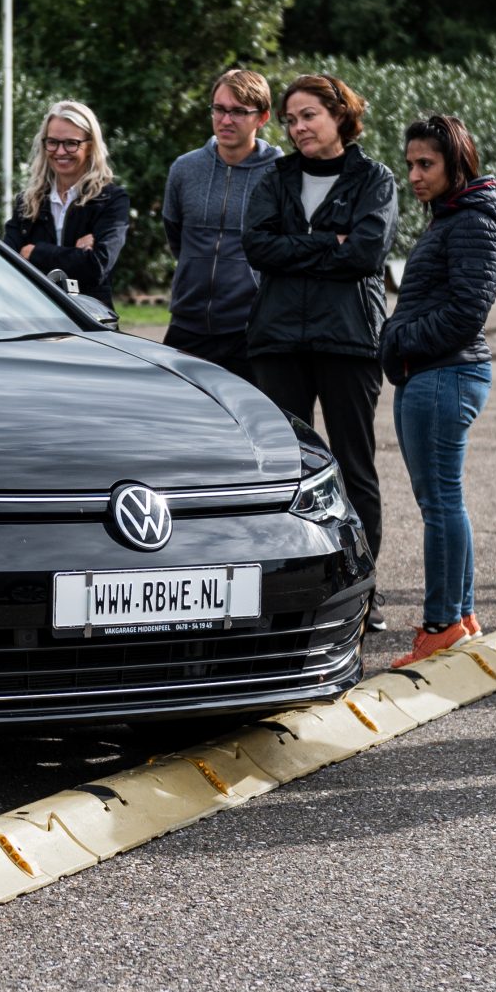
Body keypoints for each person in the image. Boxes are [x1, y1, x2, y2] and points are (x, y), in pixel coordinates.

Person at [243, 74, 400, 633]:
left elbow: (364, 254)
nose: (298, 127)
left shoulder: (373, 179)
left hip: (348, 340)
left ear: (339, 115)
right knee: (281, 470)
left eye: (309, 115)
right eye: (291, 118)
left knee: (354, 467)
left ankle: (363, 590)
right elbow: (256, 245)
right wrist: (324, 244)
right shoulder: (275, 177)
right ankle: (286, 589)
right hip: (278, 340)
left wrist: (301, 250)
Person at [381, 115, 496, 669]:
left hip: (443, 373)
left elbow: (466, 313)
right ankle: (459, 615)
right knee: (442, 501)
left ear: (456, 164)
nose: (414, 174)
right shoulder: (454, 217)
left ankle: (441, 626)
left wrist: (397, 340)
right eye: (410, 163)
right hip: (433, 373)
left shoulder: (472, 223)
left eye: (426, 164)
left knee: (439, 504)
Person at [162, 67, 285, 380]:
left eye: (239, 111)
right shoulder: (184, 169)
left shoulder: (281, 176)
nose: (226, 120)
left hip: (252, 331)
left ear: (263, 117)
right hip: (187, 327)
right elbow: (176, 236)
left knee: (254, 424)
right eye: (219, 109)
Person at [4, 100, 129, 301]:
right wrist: (74, 254)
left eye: (71, 143)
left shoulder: (110, 200)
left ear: (90, 146)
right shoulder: (28, 202)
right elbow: (8, 263)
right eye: (52, 142)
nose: (60, 152)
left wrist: (36, 252)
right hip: (37, 318)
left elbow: (97, 266)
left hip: (89, 322)